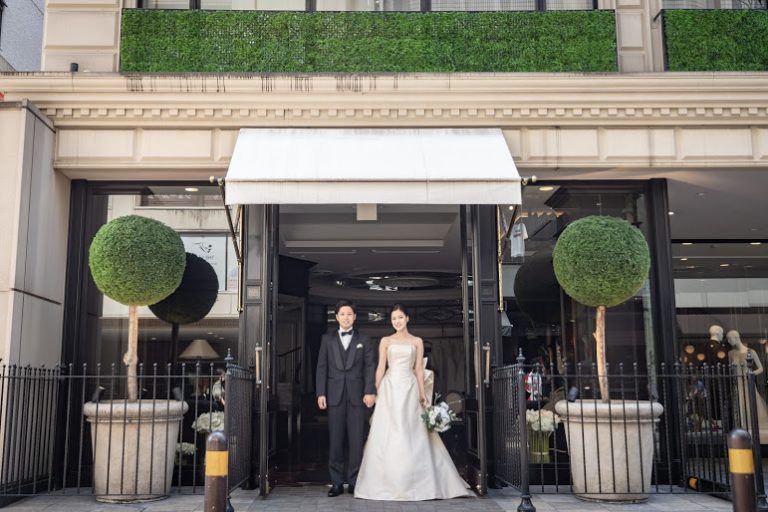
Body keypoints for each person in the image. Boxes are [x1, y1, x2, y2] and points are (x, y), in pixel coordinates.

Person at [354, 304, 470, 501]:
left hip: (409, 387)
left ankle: (417, 480)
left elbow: (418, 370)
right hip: (390, 388)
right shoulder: (385, 341)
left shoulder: (417, 341)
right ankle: (385, 482)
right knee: (389, 431)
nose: (397, 322)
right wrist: (372, 391)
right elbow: (381, 367)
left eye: (400, 317)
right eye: (393, 319)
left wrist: (423, 394)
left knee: (411, 431)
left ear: (407, 318)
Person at [316, 300, 376, 497]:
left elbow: (369, 367)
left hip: (358, 396)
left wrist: (369, 391)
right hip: (334, 396)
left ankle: (354, 481)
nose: (346, 317)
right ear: (336, 317)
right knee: (335, 440)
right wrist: (321, 393)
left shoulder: (365, 340)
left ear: (355, 317)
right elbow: (321, 367)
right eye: (342, 314)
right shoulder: (327, 339)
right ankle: (336, 483)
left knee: (356, 441)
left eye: (350, 314)